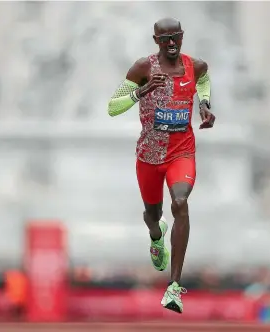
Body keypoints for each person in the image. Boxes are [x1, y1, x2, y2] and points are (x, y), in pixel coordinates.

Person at [107, 17, 215, 314]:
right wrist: (142, 91)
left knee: (180, 202)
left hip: (182, 153)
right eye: (164, 38)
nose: (171, 43)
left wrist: (205, 104)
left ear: (182, 37)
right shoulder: (143, 68)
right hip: (149, 157)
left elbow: (204, 81)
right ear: (156, 41)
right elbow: (112, 107)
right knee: (153, 215)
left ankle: (174, 287)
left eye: (175, 37)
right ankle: (157, 237)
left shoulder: (196, 66)